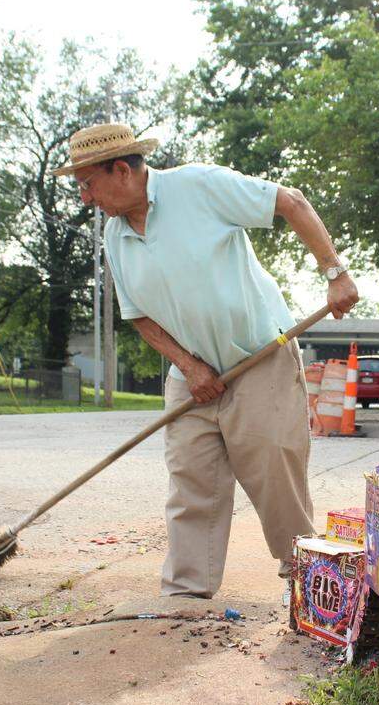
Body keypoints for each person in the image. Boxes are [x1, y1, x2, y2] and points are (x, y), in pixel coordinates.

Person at [53, 123, 358, 599]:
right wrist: (190, 367)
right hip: (192, 371)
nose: (85, 198)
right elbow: (140, 317)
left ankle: (305, 581)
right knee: (190, 475)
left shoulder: (197, 186)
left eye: (87, 184)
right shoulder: (115, 235)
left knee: (274, 467)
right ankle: (186, 593)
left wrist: (334, 271)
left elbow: (290, 201)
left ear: (121, 171)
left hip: (260, 355)